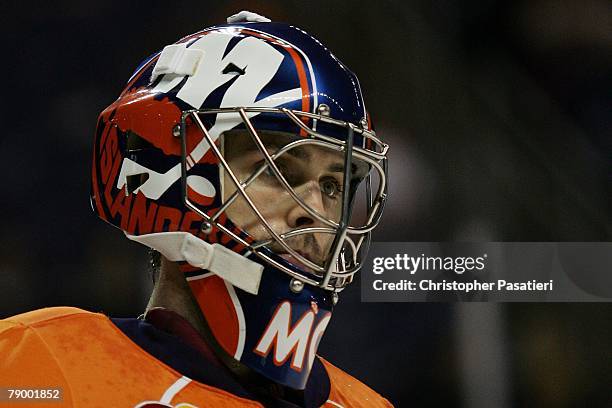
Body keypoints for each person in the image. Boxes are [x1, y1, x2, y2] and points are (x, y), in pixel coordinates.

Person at [0, 11, 391, 407]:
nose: (314, 211)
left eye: (332, 185)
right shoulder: (38, 367)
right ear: (173, 176)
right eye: (279, 169)